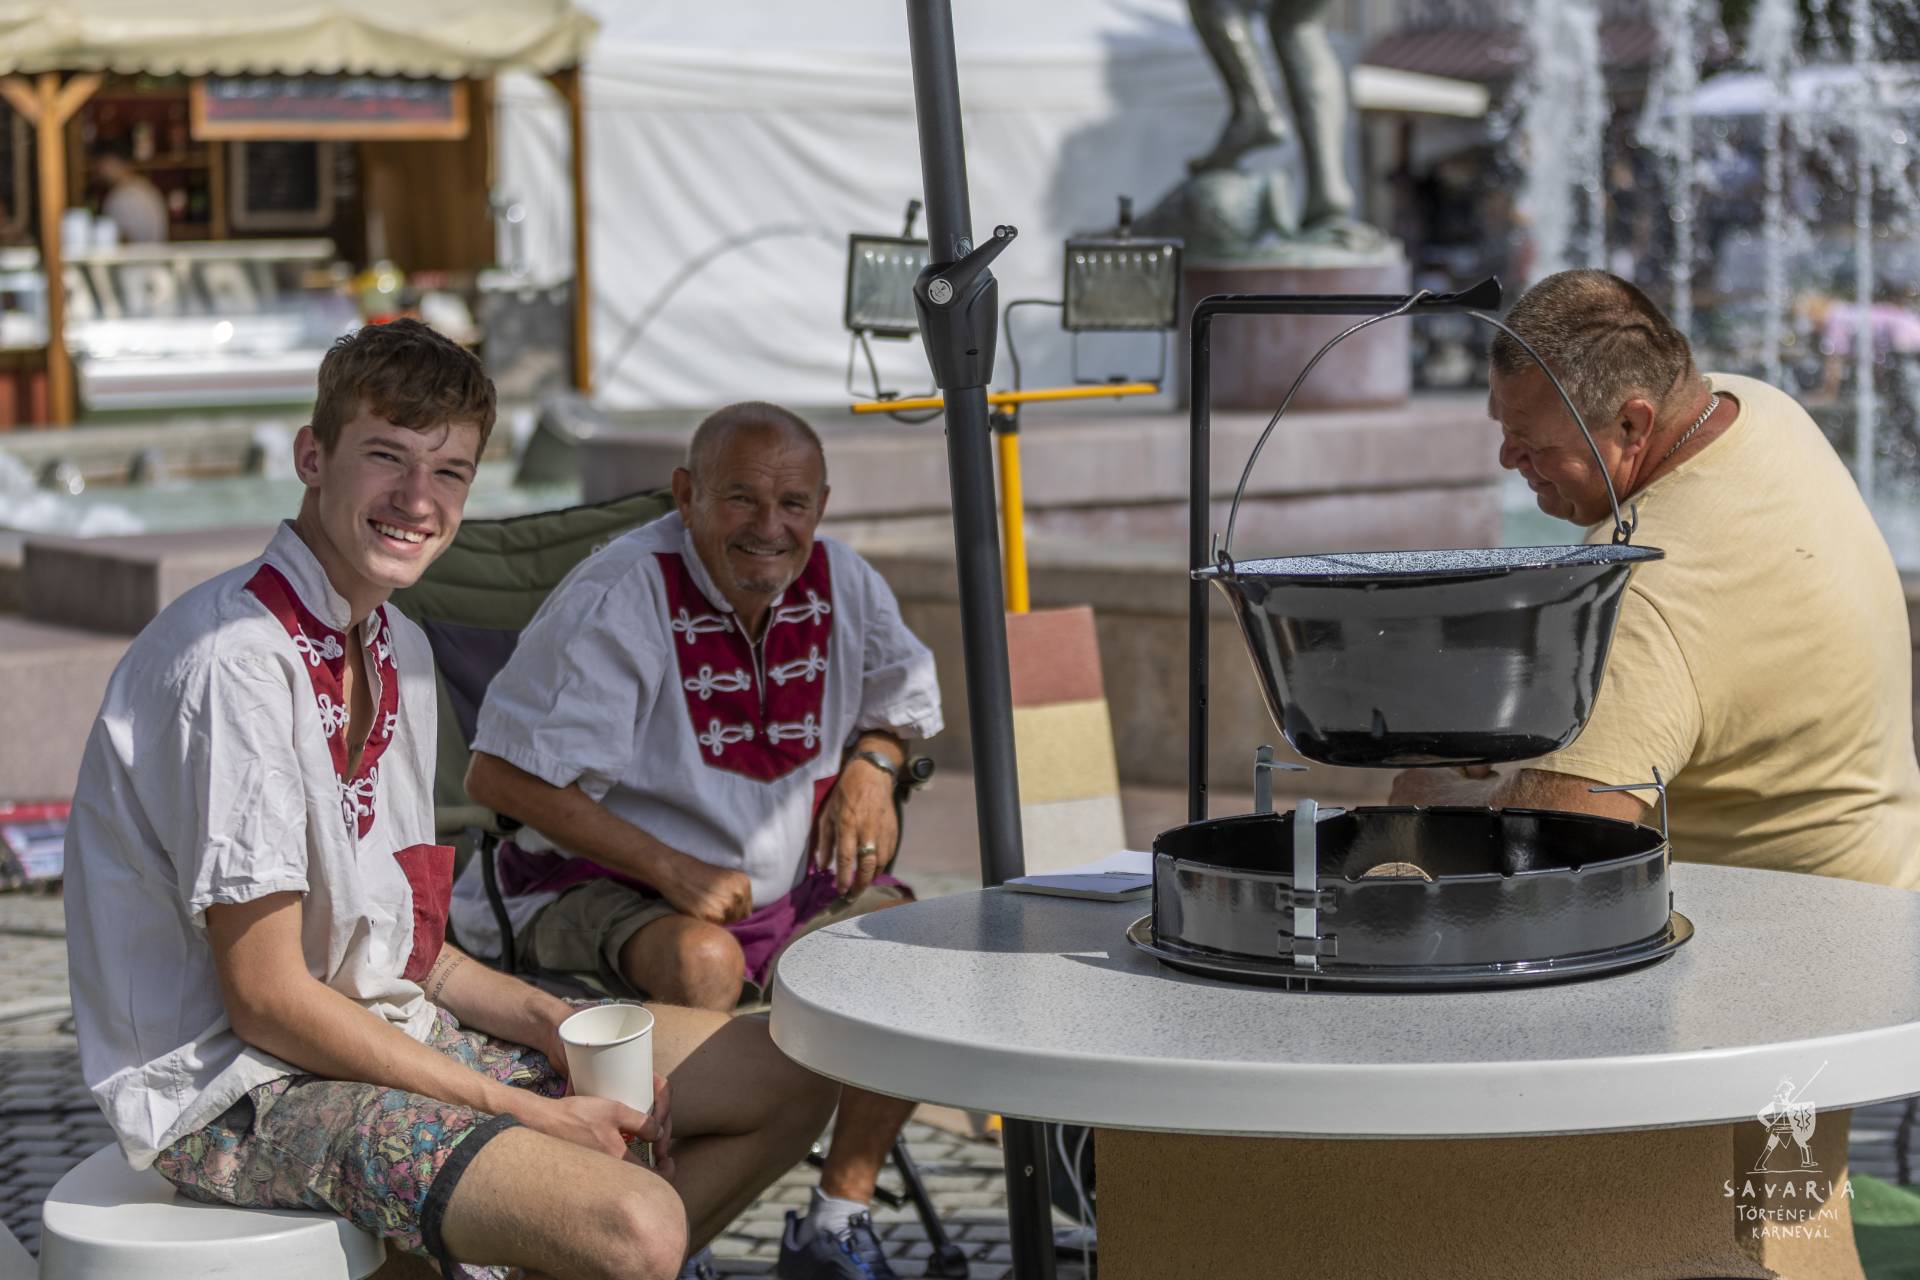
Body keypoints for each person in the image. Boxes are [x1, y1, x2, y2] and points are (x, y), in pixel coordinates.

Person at [63, 321, 835, 1280]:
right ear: (312, 457)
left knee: (793, 1065)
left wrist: (547, 1022)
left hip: (378, 1034)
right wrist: (521, 1110)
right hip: (236, 1091)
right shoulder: (235, 664)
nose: (418, 500)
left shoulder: (397, 646)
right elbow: (265, 1001)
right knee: (637, 1226)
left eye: (451, 472)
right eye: (386, 456)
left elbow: (411, 955)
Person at [451, 401, 943, 1280]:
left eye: (793, 503)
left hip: (788, 888)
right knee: (703, 961)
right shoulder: (620, 593)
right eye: (742, 498)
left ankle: (838, 1220)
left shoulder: (844, 580)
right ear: (686, 494)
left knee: (908, 955)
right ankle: (673, 1225)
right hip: (590, 883)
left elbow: (898, 698)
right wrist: (670, 867)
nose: (770, 527)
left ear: (822, 507)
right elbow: (498, 779)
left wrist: (873, 764)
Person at [1390, 268, 1920, 889]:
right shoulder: (1757, 408)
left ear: (1632, 426)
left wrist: (1435, 797)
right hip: (1887, 890)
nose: (1508, 459)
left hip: (1782, 925)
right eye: (1502, 429)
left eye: (1530, 441)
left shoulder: (1637, 587)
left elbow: (1551, 850)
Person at [93, 141, 169, 244]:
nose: (99, 170)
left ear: (112, 161)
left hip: (138, 254)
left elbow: (123, 241)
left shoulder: (123, 197)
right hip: (153, 253)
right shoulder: (146, 188)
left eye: (101, 164)